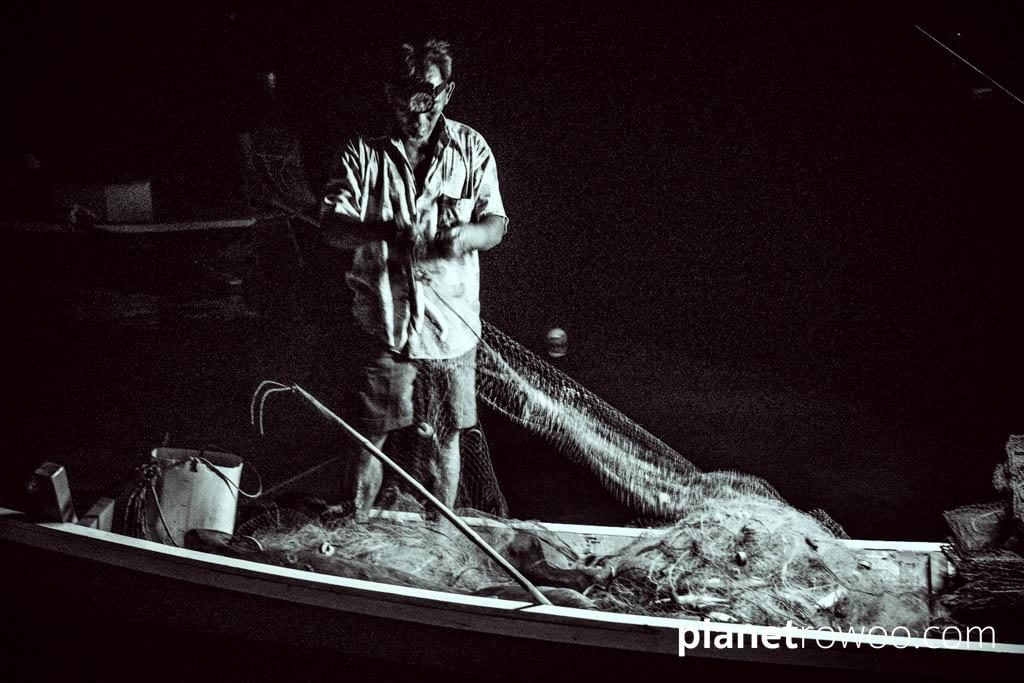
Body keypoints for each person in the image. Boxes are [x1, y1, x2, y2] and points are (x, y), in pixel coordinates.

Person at [320, 39, 508, 516]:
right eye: (405, 100)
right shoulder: (363, 152)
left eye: (428, 99)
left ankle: (441, 536)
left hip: (452, 330)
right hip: (385, 327)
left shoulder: (472, 148)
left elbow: (496, 224)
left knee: (445, 438)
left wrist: (466, 235)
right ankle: (357, 530)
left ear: (446, 94)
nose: (416, 114)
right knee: (369, 437)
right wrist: (383, 231)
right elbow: (331, 227)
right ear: (390, 94)